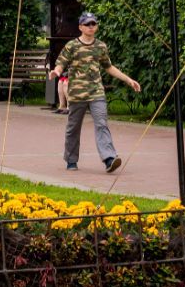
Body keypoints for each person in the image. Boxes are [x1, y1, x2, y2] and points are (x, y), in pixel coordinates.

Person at [51, 11, 141, 172]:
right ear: (80, 27)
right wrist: (56, 72)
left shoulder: (100, 46)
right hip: (77, 94)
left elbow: (109, 67)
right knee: (73, 128)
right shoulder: (72, 46)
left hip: (96, 93)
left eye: (94, 24)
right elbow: (61, 63)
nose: (91, 27)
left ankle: (109, 159)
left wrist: (128, 80)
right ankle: (71, 160)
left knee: (102, 124)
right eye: (87, 24)